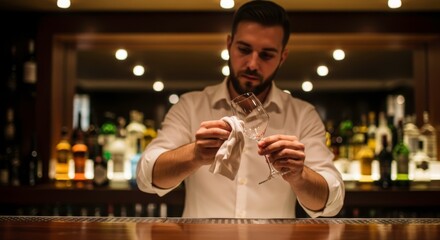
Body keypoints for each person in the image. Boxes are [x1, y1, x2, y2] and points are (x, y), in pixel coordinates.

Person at [137, 0, 344, 218]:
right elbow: (145, 177)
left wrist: (300, 176)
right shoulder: (190, 106)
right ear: (229, 45)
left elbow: (332, 203)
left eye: (266, 54)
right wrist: (195, 154)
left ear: (282, 57)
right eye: (244, 49)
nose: (253, 64)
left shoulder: (303, 115)